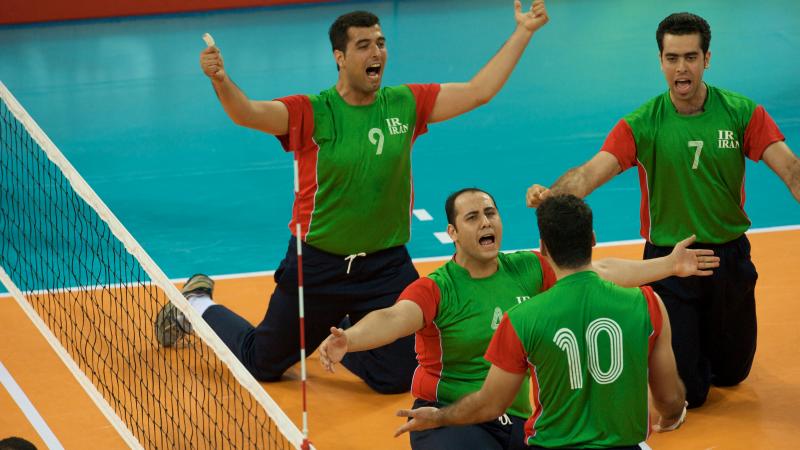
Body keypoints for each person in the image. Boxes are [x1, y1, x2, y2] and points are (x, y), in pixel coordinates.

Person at [154, 2, 550, 394]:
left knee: (399, 376)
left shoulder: (405, 103)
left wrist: (524, 31)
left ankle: (343, 331)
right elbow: (249, 113)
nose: (376, 52)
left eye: (380, 42)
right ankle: (197, 303)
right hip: (319, 266)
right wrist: (221, 80)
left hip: (385, 264)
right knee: (264, 362)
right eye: (363, 45)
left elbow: (479, 91)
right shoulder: (314, 112)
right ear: (339, 57)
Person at [525, 12, 800, 408]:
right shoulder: (642, 124)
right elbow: (588, 174)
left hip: (728, 257)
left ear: (707, 59)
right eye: (672, 58)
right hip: (669, 263)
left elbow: (791, 169)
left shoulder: (742, 113)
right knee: (692, 394)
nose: (681, 67)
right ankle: (663, 344)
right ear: (660, 61)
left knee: (733, 373)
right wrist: (551, 194)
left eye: (690, 57)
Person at [319, 188, 714, 449]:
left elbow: (596, 271)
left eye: (490, 213)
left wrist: (668, 264)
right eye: (472, 218)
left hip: (514, 414)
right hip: (450, 416)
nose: (486, 222)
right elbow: (393, 317)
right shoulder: (438, 288)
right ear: (452, 233)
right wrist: (349, 340)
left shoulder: (526, 268)